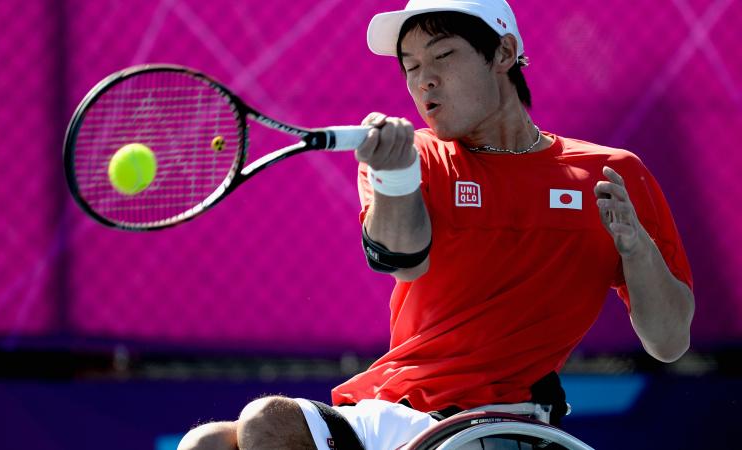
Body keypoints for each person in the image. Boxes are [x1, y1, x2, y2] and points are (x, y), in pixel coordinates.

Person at [178, 1, 694, 449]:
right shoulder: (413, 158)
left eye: (443, 56)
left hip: (496, 419)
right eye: (410, 66)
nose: (423, 79)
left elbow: (668, 341)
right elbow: (403, 258)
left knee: (268, 423)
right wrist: (395, 176)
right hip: (390, 409)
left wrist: (636, 247)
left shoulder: (611, 174)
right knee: (207, 443)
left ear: (504, 54)